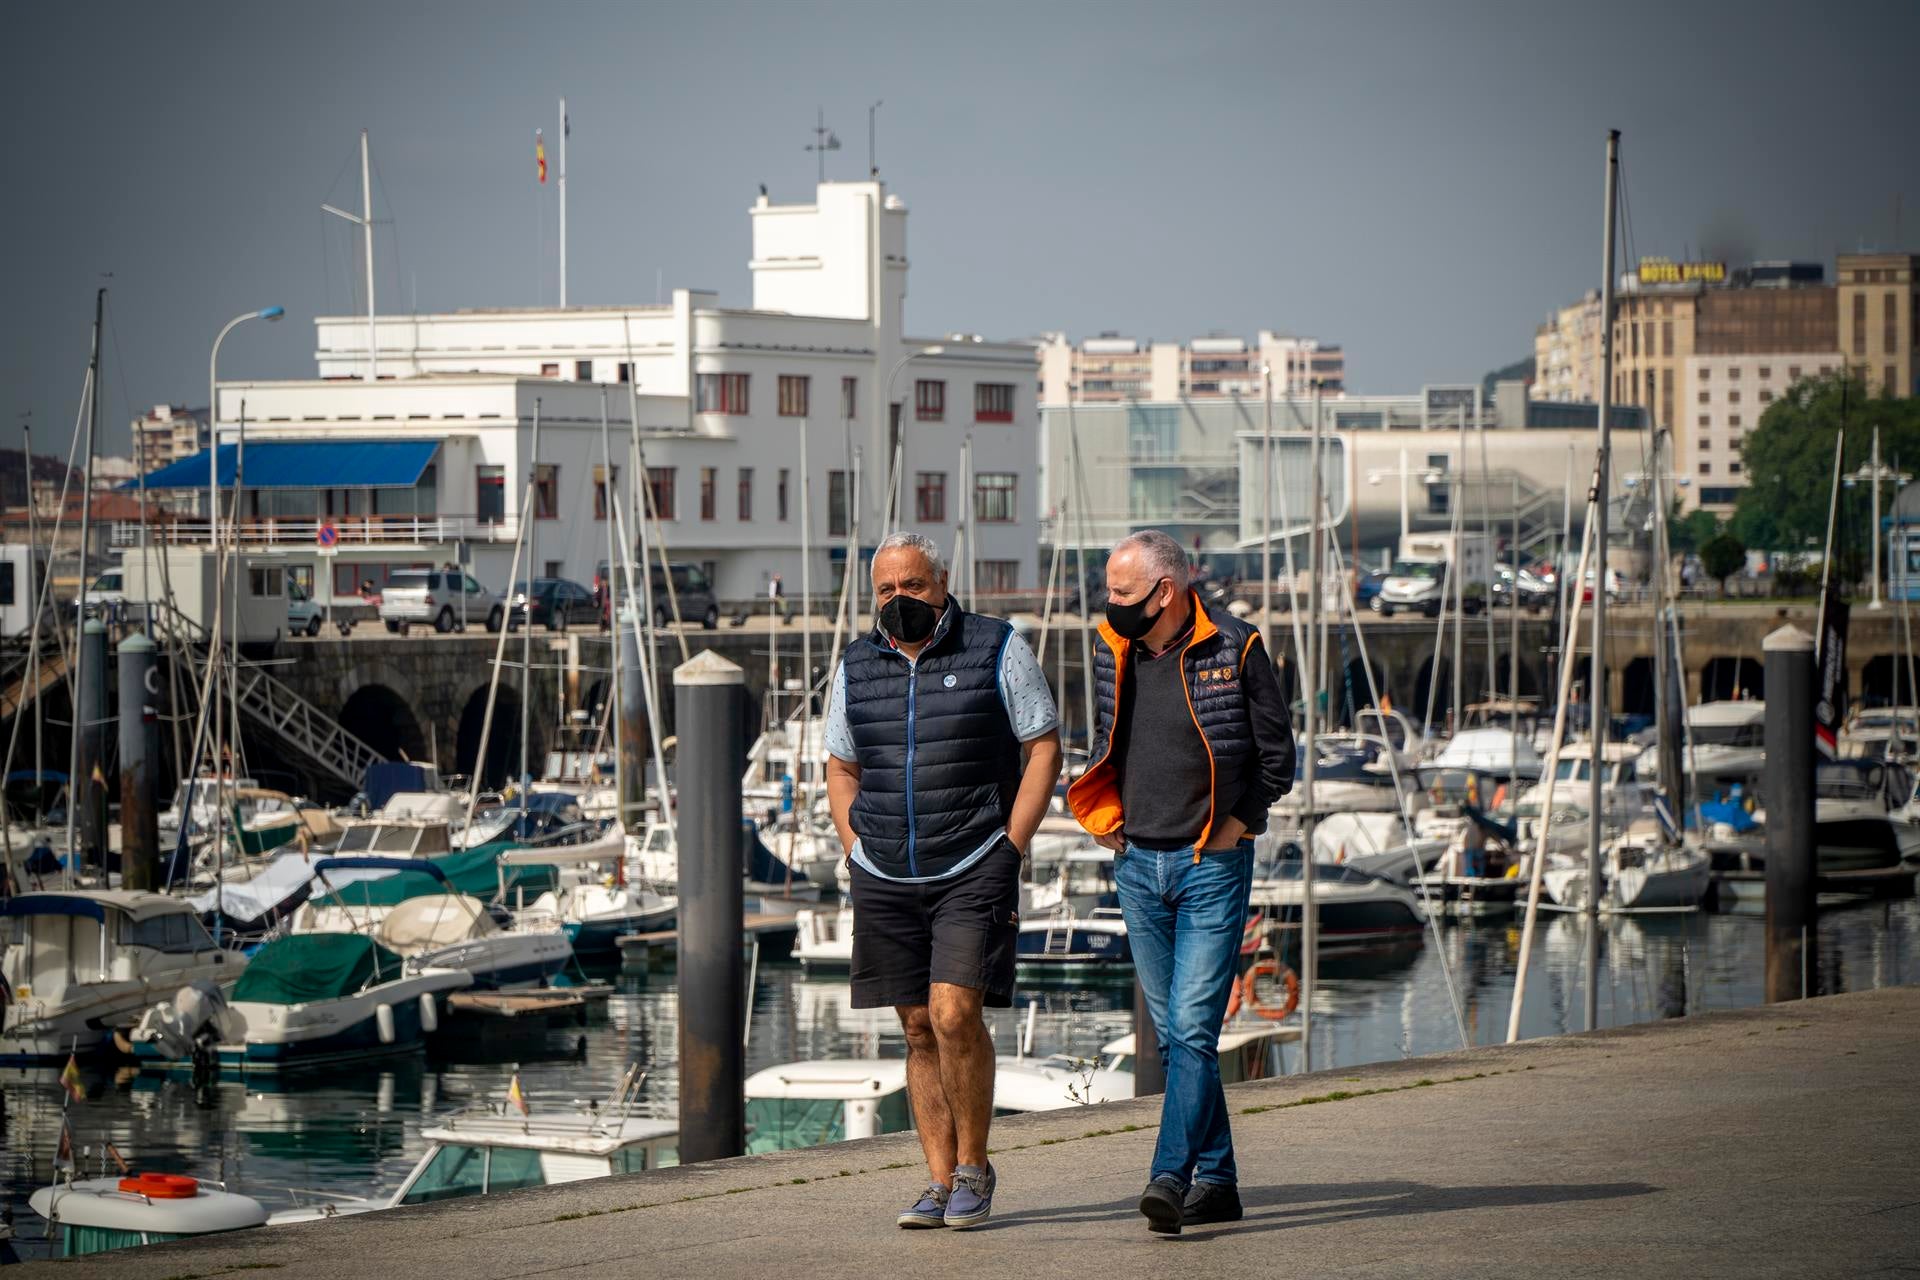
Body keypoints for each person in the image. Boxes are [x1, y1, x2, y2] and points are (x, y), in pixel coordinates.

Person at [824, 531, 1062, 1231]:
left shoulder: (996, 646)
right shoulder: (856, 664)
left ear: (943, 582)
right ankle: (936, 1181)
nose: (901, 600)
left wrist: (1010, 847)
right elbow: (841, 766)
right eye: (887, 591)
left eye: (914, 586)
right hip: (884, 870)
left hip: (971, 862)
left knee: (958, 1013)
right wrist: (854, 846)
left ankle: (974, 1168)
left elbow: (1042, 744)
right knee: (919, 1025)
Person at [1067, 529, 1295, 1235]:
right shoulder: (1115, 650)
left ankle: (1170, 1175)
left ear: (1165, 591)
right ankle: (1218, 1180)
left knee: (1193, 1029)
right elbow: (1109, 740)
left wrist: (1239, 822)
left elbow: (1278, 755)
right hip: (1136, 863)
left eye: (1124, 594)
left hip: (1209, 865)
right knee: (1178, 1037)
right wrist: (1106, 818)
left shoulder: (1237, 646)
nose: (1111, 605)